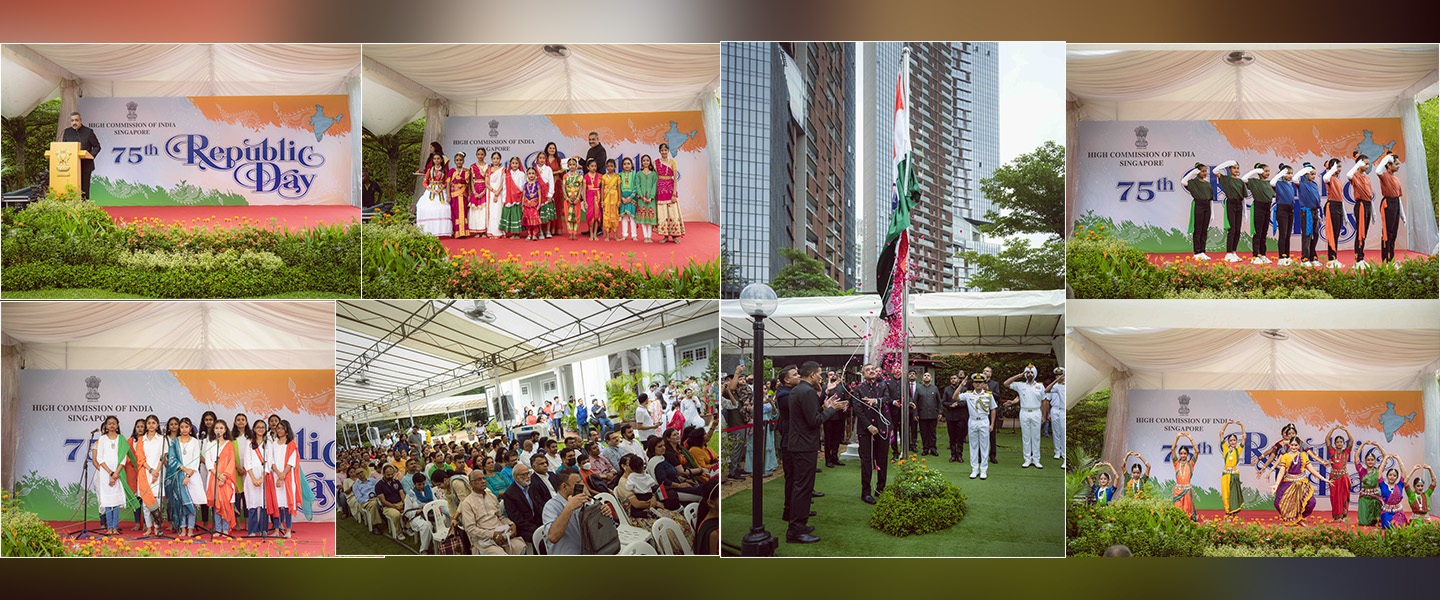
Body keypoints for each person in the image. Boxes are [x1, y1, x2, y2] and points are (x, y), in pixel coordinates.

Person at [784, 361, 845, 543]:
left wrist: (824, 406)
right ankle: (795, 531)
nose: (821, 376)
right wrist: (832, 409)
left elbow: (809, 415)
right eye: (820, 373)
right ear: (812, 375)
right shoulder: (807, 391)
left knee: (801, 487)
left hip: (799, 444)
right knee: (803, 489)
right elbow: (814, 421)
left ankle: (799, 526)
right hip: (804, 446)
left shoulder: (798, 390)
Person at [456, 470, 525, 554]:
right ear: (471, 484)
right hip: (483, 540)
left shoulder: (492, 497)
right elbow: (470, 529)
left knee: (520, 547)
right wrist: (492, 534)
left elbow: (501, 517)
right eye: (479, 479)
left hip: (501, 534)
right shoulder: (467, 503)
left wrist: (512, 524)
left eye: (484, 478)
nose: (483, 481)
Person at [854, 364, 891, 504]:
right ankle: (866, 492)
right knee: (867, 461)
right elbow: (858, 410)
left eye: (874, 370)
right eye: (868, 370)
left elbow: (887, 399)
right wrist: (869, 426)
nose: (872, 371)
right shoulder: (858, 389)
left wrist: (877, 401)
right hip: (865, 430)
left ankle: (881, 488)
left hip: (882, 427)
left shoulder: (882, 386)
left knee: (882, 459)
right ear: (863, 374)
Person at [91, 415, 134, 535]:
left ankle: (115, 527)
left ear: (118, 425)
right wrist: (110, 473)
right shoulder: (102, 439)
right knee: (107, 502)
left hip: (118, 473)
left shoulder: (121, 439)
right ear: (105, 425)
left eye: (114, 423)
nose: (111, 425)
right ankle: (109, 527)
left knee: (116, 501)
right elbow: (99, 458)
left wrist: (116, 473)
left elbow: (123, 459)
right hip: (105, 474)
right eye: (109, 423)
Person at [1004, 364, 1047, 469]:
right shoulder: (1021, 385)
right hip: (1024, 412)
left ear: (1035, 374)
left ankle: (1036, 459)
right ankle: (1027, 459)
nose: (1030, 374)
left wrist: (1044, 416)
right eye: (1028, 372)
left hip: (1036, 412)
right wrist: (1018, 375)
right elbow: (1006, 383)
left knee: (1036, 437)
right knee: (1026, 437)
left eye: (1032, 372)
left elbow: (1044, 401)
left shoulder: (1040, 386)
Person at [170, 418, 207, 538]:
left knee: (191, 504)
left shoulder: (195, 441)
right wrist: (184, 470)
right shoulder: (174, 441)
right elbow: (172, 458)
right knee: (181, 503)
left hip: (193, 475)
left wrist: (188, 475)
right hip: (178, 474)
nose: (184, 429)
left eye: (187, 427)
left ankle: (190, 529)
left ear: (191, 428)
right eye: (182, 427)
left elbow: (196, 459)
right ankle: (182, 529)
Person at [541, 467, 589, 554]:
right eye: (578, 483)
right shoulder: (550, 506)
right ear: (564, 487)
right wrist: (569, 507)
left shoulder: (580, 500)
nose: (582, 485)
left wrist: (603, 511)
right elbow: (553, 537)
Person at [205, 419, 237, 536]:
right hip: (214, 476)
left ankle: (225, 529)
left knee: (225, 503)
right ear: (213, 430)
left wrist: (224, 476)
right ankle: (218, 529)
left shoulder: (229, 444)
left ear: (225, 430)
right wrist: (217, 474)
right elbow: (208, 461)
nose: (219, 430)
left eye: (221, 428)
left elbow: (231, 462)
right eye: (216, 428)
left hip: (227, 478)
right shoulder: (210, 443)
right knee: (216, 503)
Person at [961, 373, 996, 480]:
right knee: (973, 446)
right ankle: (974, 469)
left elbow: (993, 409)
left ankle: (983, 470)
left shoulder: (989, 395)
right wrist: (961, 385)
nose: (978, 384)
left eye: (980, 382)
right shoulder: (968, 394)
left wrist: (992, 424)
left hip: (984, 421)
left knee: (984, 446)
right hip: (972, 421)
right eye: (976, 382)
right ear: (973, 383)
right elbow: (955, 397)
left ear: (983, 383)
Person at [1212, 160, 1247, 262]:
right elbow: (1214, 171)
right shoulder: (1226, 179)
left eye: (1237, 168)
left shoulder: (1240, 181)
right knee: (1232, 229)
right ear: (1229, 169)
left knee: (1237, 230)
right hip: (1231, 204)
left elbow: (1244, 197)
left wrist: (1245, 212)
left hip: (1239, 205)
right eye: (1234, 168)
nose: (1236, 170)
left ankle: (1234, 252)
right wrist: (1227, 163)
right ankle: (1228, 253)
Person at [1374, 150, 1405, 263]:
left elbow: (1398, 197)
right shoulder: (1385, 176)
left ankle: (1391, 259)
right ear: (1389, 165)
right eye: (1396, 164)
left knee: (1394, 233)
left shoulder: (1396, 179)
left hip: (1396, 203)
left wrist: (1402, 215)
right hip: (1388, 204)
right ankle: (1386, 260)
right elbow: (1377, 171)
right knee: (1387, 233)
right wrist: (1386, 158)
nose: (1398, 166)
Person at [414, 142, 452, 237]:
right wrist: (431, 190)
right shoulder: (430, 169)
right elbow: (425, 181)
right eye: (435, 159)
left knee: (443, 209)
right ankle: (429, 230)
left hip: (440, 190)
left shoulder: (444, 168)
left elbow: (446, 180)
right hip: (431, 190)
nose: (436, 160)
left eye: (438, 159)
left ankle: (442, 231)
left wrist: (440, 189)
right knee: (427, 208)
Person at [62, 111, 102, 199]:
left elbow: (97, 146)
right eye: (72, 120)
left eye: (76, 120)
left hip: (85, 165)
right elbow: (63, 147)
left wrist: (91, 156)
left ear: (81, 121)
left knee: (84, 189)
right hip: (70, 167)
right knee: (71, 189)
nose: (74, 123)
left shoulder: (88, 132)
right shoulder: (67, 132)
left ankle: (84, 207)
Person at [1180, 162, 1214, 260]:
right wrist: (1192, 173)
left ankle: (1203, 251)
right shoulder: (1193, 183)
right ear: (1198, 172)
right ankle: (1197, 252)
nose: (1205, 173)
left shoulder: (1208, 184)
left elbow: (1211, 199)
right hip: (1199, 205)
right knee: (1198, 229)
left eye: (1205, 171)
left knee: (1204, 230)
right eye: (1202, 171)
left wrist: (1212, 213)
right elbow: (1183, 182)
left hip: (1207, 206)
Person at [1346, 151, 1374, 267]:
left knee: (1365, 233)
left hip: (1368, 204)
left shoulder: (1367, 178)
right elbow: (1348, 175)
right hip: (1361, 205)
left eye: (1368, 164)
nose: (1367, 166)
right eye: (1365, 164)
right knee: (1360, 232)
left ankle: (1361, 257)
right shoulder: (1355, 176)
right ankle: (1358, 258)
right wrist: (1357, 165)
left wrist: (1373, 211)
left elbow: (1370, 195)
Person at [1243, 163, 1275, 264]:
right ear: (1259, 172)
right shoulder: (1254, 182)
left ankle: (1263, 255)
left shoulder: (1268, 184)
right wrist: (1255, 171)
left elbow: (1272, 196)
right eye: (1265, 171)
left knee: (1264, 233)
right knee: (1258, 233)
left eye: (1268, 171)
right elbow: (1244, 179)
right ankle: (1255, 256)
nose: (1268, 173)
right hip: (1259, 207)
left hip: (1267, 208)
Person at [243, 421, 270, 536]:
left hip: (264, 477)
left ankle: (264, 529)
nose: (260, 429)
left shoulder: (269, 444)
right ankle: (253, 530)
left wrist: (261, 478)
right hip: (251, 476)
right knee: (253, 503)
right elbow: (247, 462)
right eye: (258, 427)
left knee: (264, 503)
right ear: (254, 428)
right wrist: (254, 478)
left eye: (263, 427)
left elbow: (269, 462)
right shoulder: (249, 444)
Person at [655, 142, 685, 242]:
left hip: (670, 188)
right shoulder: (656, 163)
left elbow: (675, 178)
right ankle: (665, 236)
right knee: (663, 213)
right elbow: (655, 178)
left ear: (668, 151)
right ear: (659, 151)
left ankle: (675, 236)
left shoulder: (672, 162)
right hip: (660, 189)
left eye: (665, 150)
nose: (664, 152)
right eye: (662, 150)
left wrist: (674, 193)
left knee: (673, 213)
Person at [1320, 157, 1347, 268]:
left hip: (1339, 206)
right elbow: (1325, 177)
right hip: (1331, 206)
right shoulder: (1329, 177)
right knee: (1332, 234)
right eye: (1337, 166)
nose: (1339, 169)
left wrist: (1344, 214)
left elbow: (1341, 199)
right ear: (1331, 167)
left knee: (1336, 234)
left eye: (1340, 166)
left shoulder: (1338, 180)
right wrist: (1332, 168)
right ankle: (1331, 259)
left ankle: (1334, 258)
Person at [1294, 163, 1323, 266]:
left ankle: (1313, 257)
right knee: (1307, 235)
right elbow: (1294, 179)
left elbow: (1316, 199)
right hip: (1306, 212)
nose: (1314, 176)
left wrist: (1318, 213)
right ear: (1305, 174)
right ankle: (1304, 259)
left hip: (1315, 211)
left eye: (1315, 174)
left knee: (1315, 235)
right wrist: (1303, 171)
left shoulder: (1314, 184)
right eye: (1311, 174)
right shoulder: (1301, 184)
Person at [1271, 165, 1298, 265]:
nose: (1290, 175)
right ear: (1282, 174)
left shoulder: (1289, 185)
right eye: (1288, 173)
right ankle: (1281, 257)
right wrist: (1281, 174)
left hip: (1290, 210)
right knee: (1283, 234)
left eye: (1291, 173)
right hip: (1281, 209)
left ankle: (1287, 255)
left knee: (1287, 235)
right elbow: (1271, 183)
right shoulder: (1278, 183)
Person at [1218, 420, 1245, 517]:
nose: (1233, 442)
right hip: (1225, 474)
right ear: (1228, 442)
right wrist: (1227, 424)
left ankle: (1235, 513)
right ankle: (1228, 513)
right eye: (1231, 440)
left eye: (1234, 440)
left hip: (1234, 474)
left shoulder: (1239, 450)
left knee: (1234, 494)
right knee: (1226, 494)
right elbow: (1221, 434)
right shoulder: (1225, 448)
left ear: (1236, 441)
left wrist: (1241, 425)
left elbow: (1244, 437)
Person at [1327, 427, 1353, 521]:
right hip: (1334, 477)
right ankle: (1336, 516)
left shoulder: (1346, 451)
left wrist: (1346, 430)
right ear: (1335, 443)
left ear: (1343, 443)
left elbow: (1351, 440)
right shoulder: (1332, 451)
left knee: (1344, 496)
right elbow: (1327, 440)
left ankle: (1343, 515)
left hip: (1344, 477)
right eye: (1337, 442)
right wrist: (1332, 429)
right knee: (1334, 497)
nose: (1339, 443)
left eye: (1341, 442)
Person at [912, 372, 941, 456]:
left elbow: (939, 401)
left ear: (931, 379)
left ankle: (933, 449)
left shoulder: (935, 388)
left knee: (932, 433)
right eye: (925, 375)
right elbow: (915, 402)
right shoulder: (919, 388)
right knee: (924, 433)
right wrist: (915, 414)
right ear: (922, 378)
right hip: (922, 414)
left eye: (928, 375)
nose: (926, 377)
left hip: (933, 414)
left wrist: (940, 412)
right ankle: (925, 449)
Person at [1171, 432, 1198, 521]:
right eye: (1181, 453)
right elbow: (1172, 450)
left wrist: (1190, 438)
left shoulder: (1191, 463)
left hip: (1187, 490)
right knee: (1177, 513)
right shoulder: (1176, 463)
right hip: (1178, 491)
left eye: (1185, 453)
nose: (1183, 455)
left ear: (1187, 454)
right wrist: (1177, 437)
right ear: (1179, 454)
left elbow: (1197, 451)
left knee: (1186, 514)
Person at [1357, 444, 1383, 526]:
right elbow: (1356, 456)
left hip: (1375, 495)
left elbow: (1385, 457)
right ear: (1365, 461)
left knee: (1376, 502)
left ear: (1375, 461)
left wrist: (1379, 446)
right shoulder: (1361, 470)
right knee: (1364, 523)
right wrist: (1363, 444)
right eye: (1368, 460)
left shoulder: (1378, 470)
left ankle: (1377, 519)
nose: (1370, 461)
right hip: (1364, 496)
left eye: (1372, 459)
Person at [1378, 457, 1408, 530]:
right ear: (1387, 476)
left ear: (1397, 477)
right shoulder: (1383, 485)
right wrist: (1385, 459)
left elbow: (1404, 472)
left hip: (1397, 512)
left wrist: (1398, 459)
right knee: (1388, 526)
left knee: (1399, 527)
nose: (1392, 477)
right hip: (1386, 512)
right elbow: (1379, 472)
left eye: (1394, 475)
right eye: (1390, 475)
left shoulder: (1400, 485)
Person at [447, 152, 472, 238]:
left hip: (464, 194)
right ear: (454, 161)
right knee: (455, 213)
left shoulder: (467, 171)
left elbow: (469, 185)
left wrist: (469, 196)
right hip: (454, 195)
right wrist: (448, 195)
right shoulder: (451, 171)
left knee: (464, 212)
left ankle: (464, 232)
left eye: (461, 160)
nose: (459, 162)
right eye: (457, 160)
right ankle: (457, 232)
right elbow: (448, 184)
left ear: (463, 161)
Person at [501, 156, 527, 237]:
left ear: (519, 164)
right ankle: (512, 233)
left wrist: (523, 197)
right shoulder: (507, 175)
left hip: (519, 198)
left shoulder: (522, 174)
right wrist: (504, 199)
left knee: (518, 215)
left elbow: (524, 187)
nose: (514, 165)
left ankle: (518, 233)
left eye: (516, 163)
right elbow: (505, 188)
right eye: (513, 163)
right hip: (510, 198)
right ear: (510, 164)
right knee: (512, 216)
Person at [636, 154, 659, 242]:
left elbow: (654, 185)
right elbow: (638, 185)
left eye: (647, 160)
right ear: (641, 162)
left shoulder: (653, 174)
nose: (646, 162)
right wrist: (641, 196)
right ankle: (645, 236)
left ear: (650, 162)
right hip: (642, 199)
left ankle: (649, 236)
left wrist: (651, 197)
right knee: (643, 218)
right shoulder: (639, 173)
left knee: (650, 217)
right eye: (644, 160)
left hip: (651, 199)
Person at [485, 151, 508, 237]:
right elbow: (486, 183)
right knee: (491, 212)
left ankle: (499, 232)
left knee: (499, 211)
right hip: (490, 193)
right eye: (494, 158)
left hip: (500, 192)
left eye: (497, 158)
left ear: (500, 159)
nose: (495, 160)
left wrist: (498, 192)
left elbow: (503, 182)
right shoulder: (488, 170)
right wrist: (494, 191)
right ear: (491, 160)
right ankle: (491, 231)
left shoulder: (502, 170)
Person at [1045, 368, 1065, 463]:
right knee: (1056, 431)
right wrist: (1048, 413)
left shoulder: (1067, 385)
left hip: (1063, 410)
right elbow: (1047, 394)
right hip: (1055, 409)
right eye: (1057, 375)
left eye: (1061, 374)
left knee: (1063, 431)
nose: (1059, 376)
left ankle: (1063, 451)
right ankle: (1057, 451)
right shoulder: (1055, 386)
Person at [618, 157, 639, 241]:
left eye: (628, 164)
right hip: (622, 199)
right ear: (622, 166)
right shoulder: (619, 175)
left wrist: (631, 197)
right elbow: (617, 187)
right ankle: (624, 235)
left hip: (632, 199)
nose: (626, 165)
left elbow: (636, 186)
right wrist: (622, 198)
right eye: (625, 164)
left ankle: (634, 235)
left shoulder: (635, 175)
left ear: (631, 165)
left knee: (633, 217)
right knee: (624, 217)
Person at [601, 159, 621, 241]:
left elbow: (619, 189)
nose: (610, 168)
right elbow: (602, 189)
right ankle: (607, 235)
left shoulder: (617, 177)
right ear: (606, 167)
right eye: (608, 166)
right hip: (606, 198)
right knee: (606, 216)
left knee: (615, 216)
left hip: (615, 197)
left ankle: (615, 235)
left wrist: (619, 200)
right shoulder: (604, 177)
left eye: (612, 166)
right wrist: (602, 201)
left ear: (615, 167)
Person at [522, 167, 543, 240]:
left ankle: (534, 234)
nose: (531, 175)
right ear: (527, 175)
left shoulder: (537, 184)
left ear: (536, 175)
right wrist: (522, 205)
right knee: (528, 220)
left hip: (534, 204)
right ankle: (528, 235)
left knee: (534, 220)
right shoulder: (525, 184)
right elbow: (524, 195)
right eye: (529, 173)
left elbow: (540, 195)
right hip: (527, 204)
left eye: (533, 173)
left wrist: (539, 204)